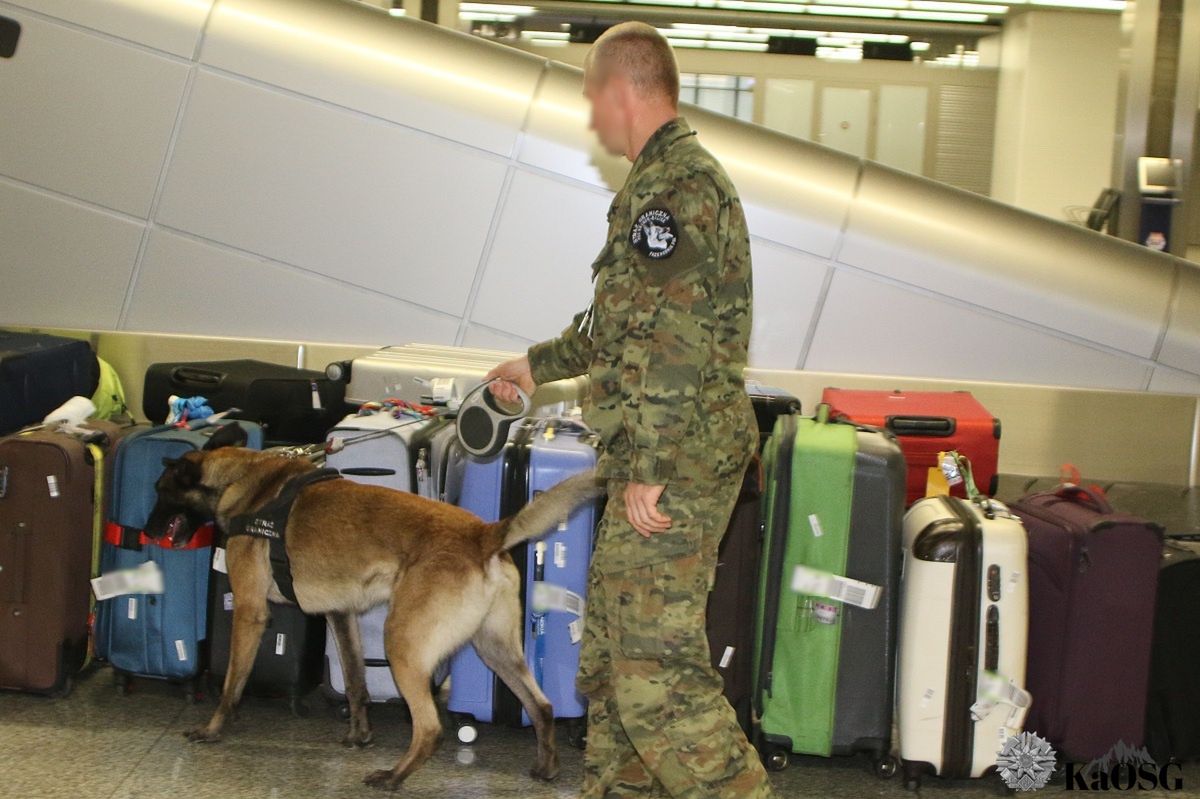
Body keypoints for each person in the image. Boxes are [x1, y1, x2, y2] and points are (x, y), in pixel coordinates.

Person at [485, 21, 774, 799]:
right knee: (611, 661)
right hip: (651, 459)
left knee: (656, 677)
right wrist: (534, 366)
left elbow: (674, 342)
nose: (591, 118)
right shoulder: (654, 185)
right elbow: (618, 328)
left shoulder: (676, 189)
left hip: (670, 466)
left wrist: (649, 469)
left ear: (622, 90)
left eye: (591, 98)